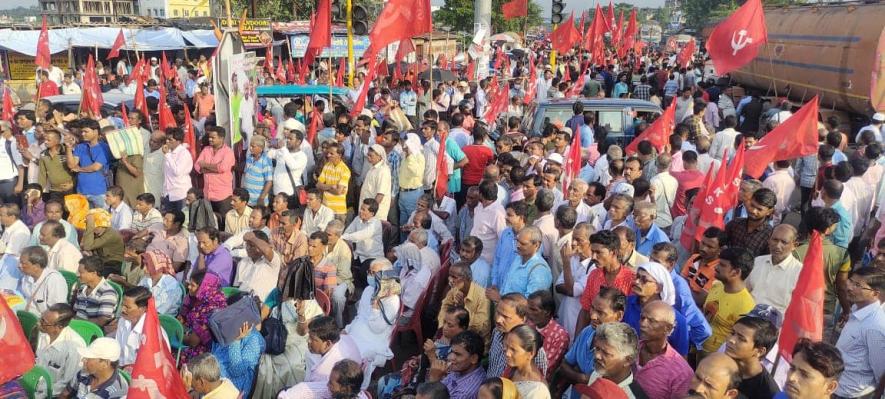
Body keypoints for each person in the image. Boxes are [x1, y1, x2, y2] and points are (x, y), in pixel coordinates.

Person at [557, 287, 626, 399]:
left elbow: (600, 385)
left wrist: (576, 375)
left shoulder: (621, 349)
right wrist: (583, 378)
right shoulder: (587, 331)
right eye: (592, 308)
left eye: (600, 312)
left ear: (618, 315)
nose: (593, 316)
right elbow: (564, 364)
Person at [277, 316, 363, 399]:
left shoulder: (322, 372)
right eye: (309, 337)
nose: (308, 341)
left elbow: (308, 391)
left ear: (327, 344)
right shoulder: (344, 338)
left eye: (313, 339)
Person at [345, 259, 401, 379]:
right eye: (369, 272)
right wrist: (348, 328)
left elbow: (378, 328)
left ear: (386, 275)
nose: (370, 276)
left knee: (351, 359)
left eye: (374, 273)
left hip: (375, 338)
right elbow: (360, 315)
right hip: (358, 331)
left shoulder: (392, 299)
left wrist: (375, 307)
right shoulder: (368, 289)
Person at [833, 268, 885, 398]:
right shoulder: (857, 307)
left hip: (852, 393)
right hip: (837, 385)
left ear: (875, 294)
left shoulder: (875, 326)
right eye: (850, 281)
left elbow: (880, 371)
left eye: (857, 285)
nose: (849, 287)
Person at [576, 230, 636, 334]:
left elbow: (631, 316)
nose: (593, 257)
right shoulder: (594, 275)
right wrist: (577, 340)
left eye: (599, 252)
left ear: (614, 252)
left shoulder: (631, 279)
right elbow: (585, 310)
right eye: (592, 252)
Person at [623, 262, 690, 355]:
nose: (637, 282)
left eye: (644, 280)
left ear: (658, 288)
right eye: (637, 277)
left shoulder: (677, 320)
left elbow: (681, 359)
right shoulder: (626, 303)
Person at [633, 301, 693, 399]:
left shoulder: (681, 373)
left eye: (651, 321)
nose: (643, 324)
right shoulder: (629, 349)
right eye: (642, 318)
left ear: (668, 329)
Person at [702, 247, 756, 355]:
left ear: (735, 272)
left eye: (722, 265)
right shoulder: (716, 286)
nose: (716, 267)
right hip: (697, 348)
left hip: (717, 360)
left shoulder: (746, 306)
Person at [744, 224, 802, 315]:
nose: (777, 246)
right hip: (748, 319)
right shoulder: (757, 261)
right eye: (775, 240)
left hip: (776, 326)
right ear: (769, 240)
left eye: (784, 242)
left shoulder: (799, 272)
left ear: (794, 245)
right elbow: (744, 290)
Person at [487, 293, 548, 378]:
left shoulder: (532, 347)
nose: (498, 320)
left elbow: (535, 381)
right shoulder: (497, 332)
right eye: (498, 313)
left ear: (523, 318)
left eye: (505, 317)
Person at [35, 303, 87, 395]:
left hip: (50, 393)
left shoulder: (74, 348)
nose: (40, 323)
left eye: (44, 322)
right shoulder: (43, 332)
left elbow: (68, 383)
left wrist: (41, 394)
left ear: (58, 327)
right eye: (41, 318)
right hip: (34, 382)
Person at [724, 316, 780, 399]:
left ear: (759, 351)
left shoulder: (769, 393)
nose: (731, 340)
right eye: (732, 333)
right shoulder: (720, 366)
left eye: (741, 339)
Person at [588, 322, 648, 398]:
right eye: (597, 348)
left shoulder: (631, 396)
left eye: (606, 353)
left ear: (628, 360)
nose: (597, 356)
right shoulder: (596, 374)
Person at [114, 286, 170, 369]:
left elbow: (158, 365)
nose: (122, 309)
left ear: (143, 309)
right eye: (122, 305)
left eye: (127, 307)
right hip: (122, 370)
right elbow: (117, 349)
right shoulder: (123, 321)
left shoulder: (153, 332)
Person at [490, 226, 552, 299]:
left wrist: (499, 298)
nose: (518, 245)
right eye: (517, 241)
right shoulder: (518, 258)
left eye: (523, 244)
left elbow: (530, 305)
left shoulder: (540, 271)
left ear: (536, 245)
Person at [181, 270, 228, 364]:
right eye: (189, 284)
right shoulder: (215, 298)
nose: (189, 287)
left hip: (204, 354)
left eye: (193, 285)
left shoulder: (208, 309)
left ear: (204, 288)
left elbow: (193, 341)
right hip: (194, 338)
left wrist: (176, 334)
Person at [438, 262, 491, 344]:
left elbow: (481, 328)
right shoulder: (455, 289)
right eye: (450, 276)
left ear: (467, 279)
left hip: (473, 341)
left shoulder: (483, 296)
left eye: (454, 277)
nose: (450, 280)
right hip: (452, 333)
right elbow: (444, 307)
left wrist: (463, 310)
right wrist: (443, 327)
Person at [194, 126, 236, 230]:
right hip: (208, 195)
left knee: (223, 224)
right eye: (209, 137)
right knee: (209, 224)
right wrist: (214, 168)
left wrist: (206, 166)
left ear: (221, 138)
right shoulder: (206, 150)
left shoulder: (228, 152)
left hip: (223, 196)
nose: (210, 139)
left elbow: (223, 168)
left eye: (213, 137)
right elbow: (197, 166)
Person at [60, 337, 128, 398]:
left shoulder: (117, 393)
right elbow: (65, 394)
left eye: (88, 358)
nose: (83, 360)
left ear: (105, 363)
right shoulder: (83, 373)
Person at [425, 330, 486, 399]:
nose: (450, 357)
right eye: (452, 352)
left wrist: (434, 380)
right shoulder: (462, 369)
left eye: (458, 354)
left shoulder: (466, 392)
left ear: (473, 358)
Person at [212, 320, 265, 397]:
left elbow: (237, 371)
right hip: (214, 379)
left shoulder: (254, 339)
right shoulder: (229, 327)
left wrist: (236, 341)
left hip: (233, 387)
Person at [66, 119, 111, 208]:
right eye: (82, 131)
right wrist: (68, 148)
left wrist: (79, 169)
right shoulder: (80, 147)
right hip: (81, 191)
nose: (83, 134)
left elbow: (96, 167)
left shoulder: (104, 147)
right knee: (82, 220)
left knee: (101, 219)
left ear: (95, 131)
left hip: (99, 191)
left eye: (86, 131)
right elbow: (71, 165)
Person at [527, 290, 570, 376]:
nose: (528, 312)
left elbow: (546, 368)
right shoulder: (528, 324)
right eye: (528, 308)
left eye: (533, 310)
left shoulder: (560, 336)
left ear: (547, 312)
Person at [681, 227, 727, 306]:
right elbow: (680, 281)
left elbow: (700, 300)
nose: (703, 248)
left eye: (710, 247)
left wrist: (683, 289)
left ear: (721, 250)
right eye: (702, 243)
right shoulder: (694, 257)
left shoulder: (719, 270)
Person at [724, 188, 777, 257]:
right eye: (752, 205)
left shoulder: (770, 236)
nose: (753, 211)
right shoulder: (735, 223)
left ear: (769, 211)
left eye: (759, 209)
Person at [341, 199, 384, 283]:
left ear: (372, 214)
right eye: (361, 208)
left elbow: (361, 235)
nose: (360, 211)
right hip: (358, 255)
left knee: (363, 275)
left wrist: (341, 237)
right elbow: (348, 232)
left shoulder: (376, 223)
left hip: (372, 257)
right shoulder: (357, 218)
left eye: (363, 210)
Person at [503, 325, 551, 399]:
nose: (507, 353)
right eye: (507, 347)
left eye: (513, 350)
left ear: (531, 353)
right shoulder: (511, 370)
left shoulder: (537, 391)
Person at [73, 256, 118, 330]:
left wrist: (78, 323)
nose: (78, 275)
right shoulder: (82, 288)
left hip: (91, 331)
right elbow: (75, 311)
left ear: (94, 273)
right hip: (76, 327)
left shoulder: (107, 292)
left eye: (81, 272)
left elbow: (102, 321)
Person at [235, 231, 282, 303]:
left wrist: (252, 238)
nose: (248, 248)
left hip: (259, 305)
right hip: (240, 302)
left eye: (252, 245)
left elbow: (267, 250)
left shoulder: (273, 261)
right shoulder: (242, 262)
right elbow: (236, 287)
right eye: (247, 245)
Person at [19, 245, 68, 315]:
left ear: (36, 266)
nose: (19, 265)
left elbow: (57, 311)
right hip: (27, 315)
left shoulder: (54, 280)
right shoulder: (27, 277)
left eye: (23, 263)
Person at [471, 180, 507, 266]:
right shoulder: (480, 206)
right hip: (473, 255)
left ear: (481, 195)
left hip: (486, 260)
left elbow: (503, 238)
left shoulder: (498, 213)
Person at [324, 220, 354, 327]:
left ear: (338, 236)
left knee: (337, 297)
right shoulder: (322, 243)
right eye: (325, 232)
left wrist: (328, 283)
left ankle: (339, 324)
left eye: (329, 234)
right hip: (322, 277)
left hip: (341, 280)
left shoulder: (344, 249)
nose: (325, 235)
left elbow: (343, 275)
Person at [137, 250, 182, 315]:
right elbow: (136, 296)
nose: (144, 269)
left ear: (156, 266)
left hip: (161, 320)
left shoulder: (171, 286)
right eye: (144, 264)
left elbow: (157, 311)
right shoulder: (147, 278)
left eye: (147, 265)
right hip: (143, 314)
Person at [81, 209, 125, 276]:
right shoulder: (96, 232)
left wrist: (90, 225)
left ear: (100, 225)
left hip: (113, 265)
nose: (89, 227)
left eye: (92, 225)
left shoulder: (111, 234)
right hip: (101, 262)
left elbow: (87, 246)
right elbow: (83, 245)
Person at [161, 127, 194, 212]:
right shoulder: (168, 152)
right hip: (168, 194)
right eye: (166, 139)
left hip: (181, 194)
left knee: (182, 222)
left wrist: (167, 155)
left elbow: (177, 172)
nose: (167, 142)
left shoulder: (184, 153)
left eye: (170, 139)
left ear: (178, 141)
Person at [316, 142, 351, 220]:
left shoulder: (345, 170)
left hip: (338, 211)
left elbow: (338, 191)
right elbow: (318, 185)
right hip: (325, 208)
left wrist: (324, 188)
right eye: (328, 153)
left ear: (339, 155)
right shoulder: (327, 165)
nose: (328, 155)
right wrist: (331, 186)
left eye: (331, 154)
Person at [359, 144, 393, 221]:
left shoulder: (383, 171)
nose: (368, 157)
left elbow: (380, 194)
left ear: (380, 156)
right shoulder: (373, 168)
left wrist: (370, 211)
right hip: (367, 210)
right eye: (368, 155)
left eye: (371, 156)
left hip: (374, 212)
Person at [243, 135, 274, 207]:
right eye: (250, 146)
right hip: (247, 200)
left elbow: (269, 181)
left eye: (253, 146)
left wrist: (262, 197)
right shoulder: (249, 158)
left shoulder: (265, 160)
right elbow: (246, 175)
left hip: (259, 202)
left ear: (261, 148)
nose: (250, 148)